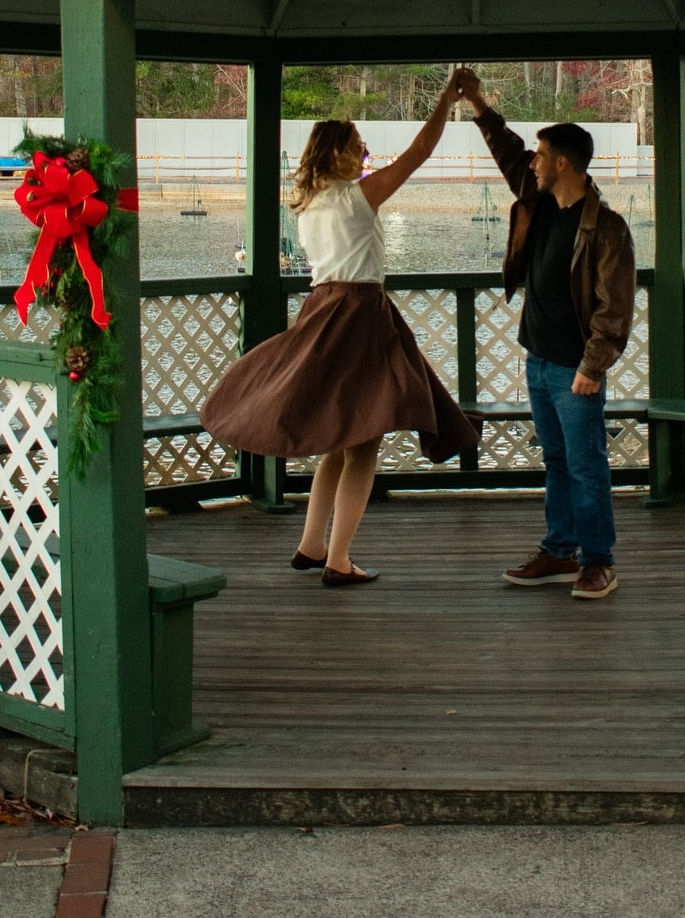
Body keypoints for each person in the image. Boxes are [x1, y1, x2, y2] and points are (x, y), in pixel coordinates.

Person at [201, 77, 479, 587]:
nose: (366, 151)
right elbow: (418, 154)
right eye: (357, 144)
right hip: (359, 314)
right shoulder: (355, 198)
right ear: (336, 153)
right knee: (364, 442)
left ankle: (312, 545)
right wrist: (445, 102)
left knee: (339, 434)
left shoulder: (309, 203)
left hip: (322, 310)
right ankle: (340, 559)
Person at [455, 69, 636, 599]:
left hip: (574, 370)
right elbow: (510, 153)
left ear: (562, 163)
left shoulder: (606, 228)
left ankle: (598, 560)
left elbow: (614, 307)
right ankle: (559, 550)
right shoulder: (537, 202)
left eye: (541, 156)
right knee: (556, 461)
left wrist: (591, 367)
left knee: (585, 465)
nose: (531, 163)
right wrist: (479, 104)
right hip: (537, 360)